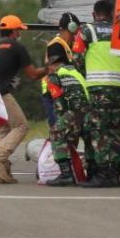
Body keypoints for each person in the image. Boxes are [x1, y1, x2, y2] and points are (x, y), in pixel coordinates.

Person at [74, 0, 120, 187]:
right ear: (112, 13)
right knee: (116, 131)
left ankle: (101, 175)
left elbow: (77, 60)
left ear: (93, 14)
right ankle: (114, 173)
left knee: (99, 131)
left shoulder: (87, 31)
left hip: (99, 88)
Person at [0, 15, 48, 183]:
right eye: (19, 29)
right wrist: (50, 68)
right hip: (1, 93)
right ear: (13, 31)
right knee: (21, 126)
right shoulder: (17, 46)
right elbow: (33, 75)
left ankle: (3, 169)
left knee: (3, 129)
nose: (20, 33)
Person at [42, 44, 88, 187]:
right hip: (89, 111)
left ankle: (66, 174)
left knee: (56, 132)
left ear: (52, 60)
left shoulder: (55, 76)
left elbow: (59, 104)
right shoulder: (74, 71)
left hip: (75, 111)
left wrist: (59, 122)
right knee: (72, 135)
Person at [41, 12, 81, 129]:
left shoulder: (66, 45)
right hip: (53, 93)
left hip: (59, 93)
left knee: (65, 130)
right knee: (58, 130)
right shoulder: (56, 45)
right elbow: (55, 70)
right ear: (72, 27)